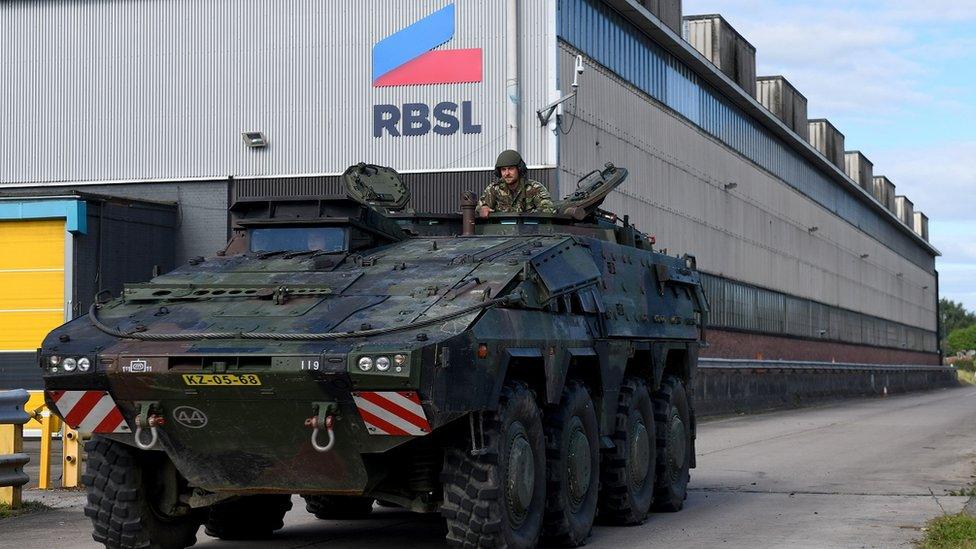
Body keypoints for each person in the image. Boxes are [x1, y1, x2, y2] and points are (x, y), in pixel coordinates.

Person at [477, 150, 556, 217]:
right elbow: (479, 208)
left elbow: (548, 210)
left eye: (511, 168)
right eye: (503, 169)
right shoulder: (494, 189)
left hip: (529, 232)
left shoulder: (534, 188)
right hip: (501, 232)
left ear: (519, 169)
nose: (507, 173)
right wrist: (483, 208)